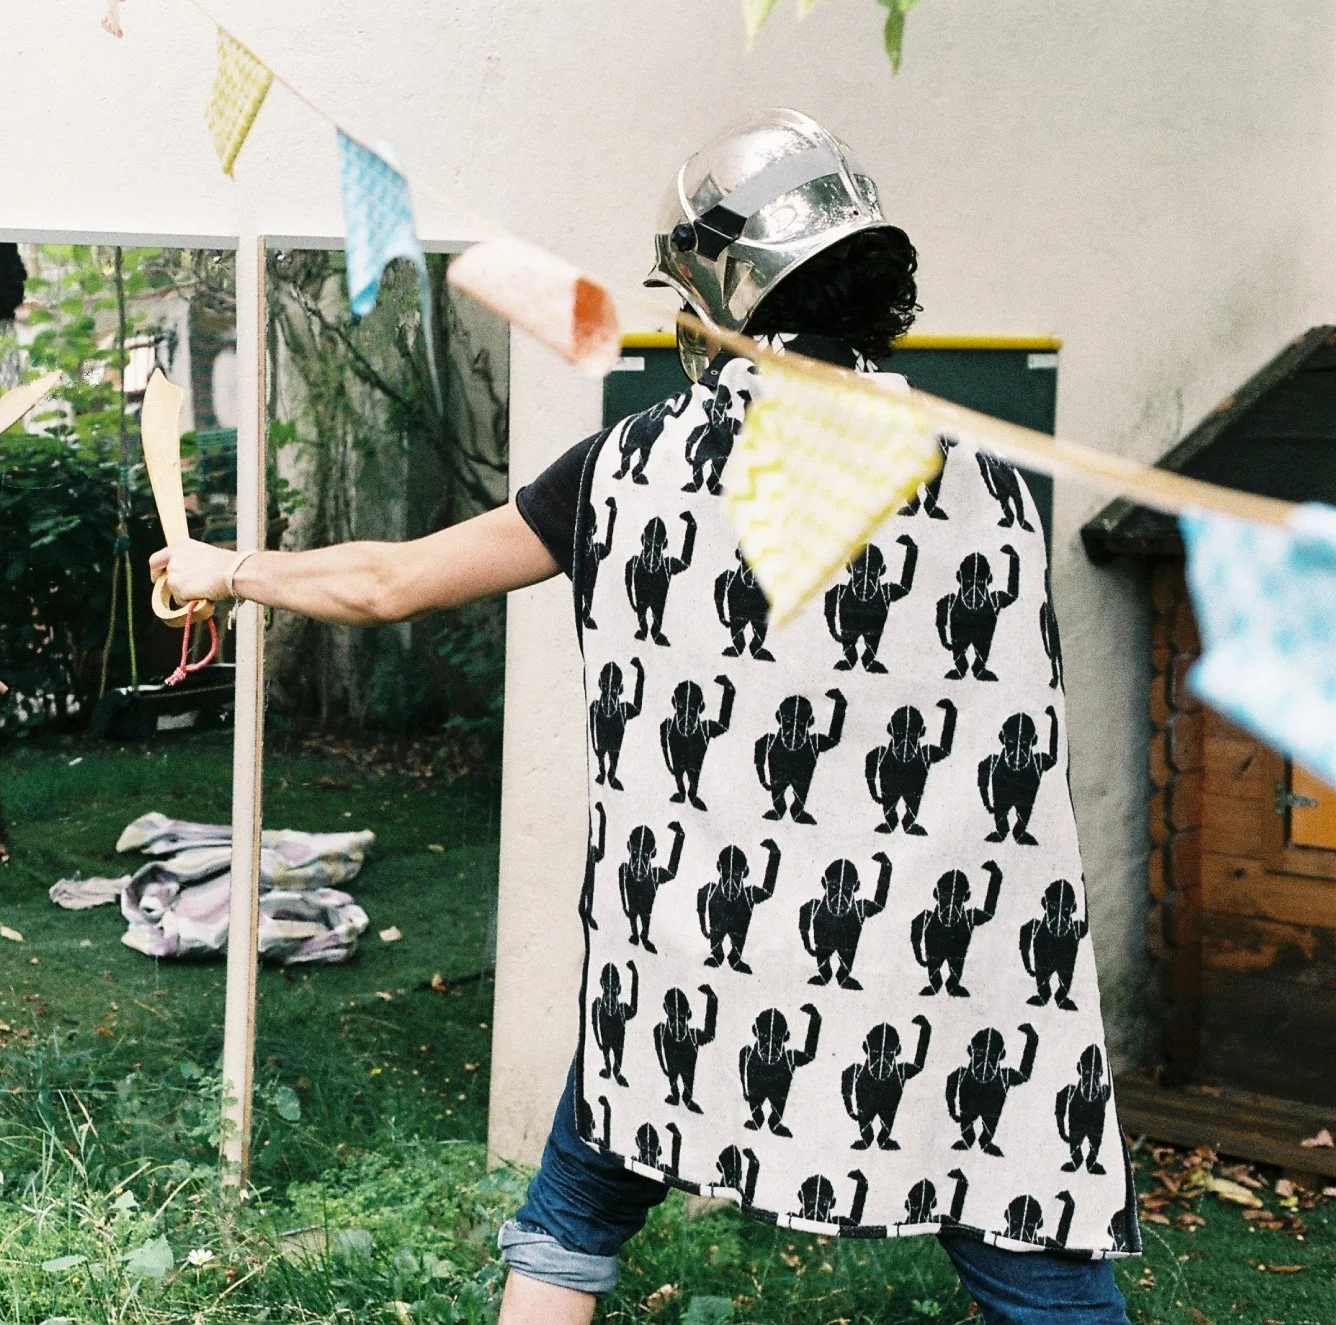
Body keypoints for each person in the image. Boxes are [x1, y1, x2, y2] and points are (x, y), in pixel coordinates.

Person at [155, 110, 1138, 1324]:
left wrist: (228, 569)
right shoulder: (985, 485)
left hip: (697, 964)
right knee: (1033, 1253)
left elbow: (389, 582)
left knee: (575, 1206)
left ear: (722, 288)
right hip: (942, 976)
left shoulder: (628, 468)